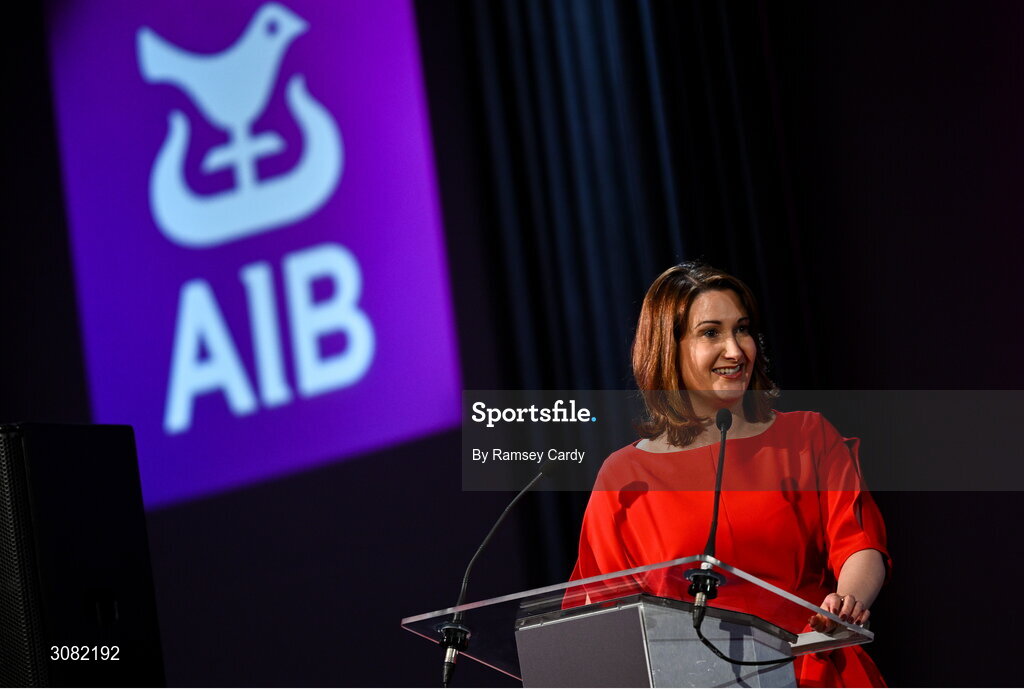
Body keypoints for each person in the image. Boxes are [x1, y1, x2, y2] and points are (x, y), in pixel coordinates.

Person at [569, 262, 890, 687]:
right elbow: (603, 613)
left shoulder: (807, 436)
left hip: (811, 669)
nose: (736, 350)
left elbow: (859, 543)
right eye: (710, 333)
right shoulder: (626, 477)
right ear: (668, 349)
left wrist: (846, 603)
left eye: (742, 329)